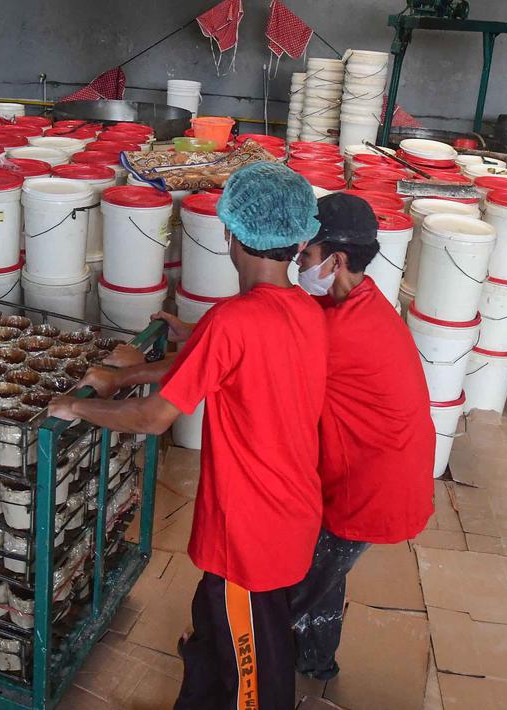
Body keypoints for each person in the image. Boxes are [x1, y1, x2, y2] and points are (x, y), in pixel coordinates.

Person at [51, 162, 328, 709]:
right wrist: (131, 372)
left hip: (249, 533)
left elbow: (154, 418)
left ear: (228, 231)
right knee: (214, 629)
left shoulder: (234, 322)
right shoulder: (305, 311)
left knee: (255, 675)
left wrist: (76, 406)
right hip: (291, 511)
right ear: (298, 239)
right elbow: (220, 359)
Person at [287, 194, 434, 680]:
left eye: (306, 255)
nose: (298, 264)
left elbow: (259, 352)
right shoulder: (358, 300)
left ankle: (244, 667)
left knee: (299, 583)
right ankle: (316, 662)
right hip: (377, 471)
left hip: (372, 486)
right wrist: (195, 331)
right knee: (325, 578)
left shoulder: (345, 331)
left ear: (337, 261)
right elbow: (284, 322)